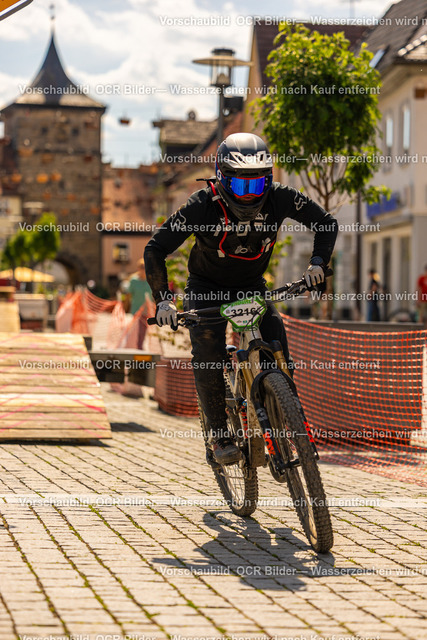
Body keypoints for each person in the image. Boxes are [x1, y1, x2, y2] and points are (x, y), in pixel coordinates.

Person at [144, 133, 338, 464]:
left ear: (269, 180)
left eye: (257, 185)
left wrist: (318, 263)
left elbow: (325, 223)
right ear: (221, 178)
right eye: (240, 185)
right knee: (208, 353)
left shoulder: (281, 197)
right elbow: (155, 249)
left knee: (277, 345)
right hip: (206, 288)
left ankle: (285, 417)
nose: (249, 195)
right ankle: (219, 435)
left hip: (251, 285)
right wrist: (164, 300)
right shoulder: (202, 204)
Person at [123, 258, 153, 349]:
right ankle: (137, 346)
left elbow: (153, 295)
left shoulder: (150, 280)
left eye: (145, 267)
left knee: (144, 328)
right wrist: (125, 307)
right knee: (138, 328)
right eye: (141, 267)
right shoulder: (134, 281)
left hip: (147, 310)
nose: (143, 269)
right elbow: (128, 295)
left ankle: (140, 345)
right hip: (136, 309)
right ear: (138, 268)